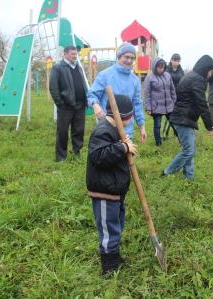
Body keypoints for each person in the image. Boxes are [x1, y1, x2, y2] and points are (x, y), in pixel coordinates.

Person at [86, 94, 137, 275]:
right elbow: (99, 156)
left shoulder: (117, 131)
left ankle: (114, 256)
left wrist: (126, 148)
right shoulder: (103, 131)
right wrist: (122, 148)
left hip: (116, 190)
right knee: (109, 229)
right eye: (130, 117)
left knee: (116, 225)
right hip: (105, 192)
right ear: (123, 117)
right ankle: (108, 266)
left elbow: (113, 155)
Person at [162, 55, 213, 180]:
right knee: (189, 150)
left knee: (189, 149)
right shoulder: (197, 80)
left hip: (185, 118)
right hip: (183, 119)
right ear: (206, 68)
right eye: (211, 70)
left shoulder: (194, 76)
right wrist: (210, 127)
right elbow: (202, 104)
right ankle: (167, 172)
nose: (211, 73)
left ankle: (189, 177)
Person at [87, 42, 146, 143]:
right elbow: (92, 94)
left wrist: (142, 126)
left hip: (126, 129)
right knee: (107, 156)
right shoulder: (105, 75)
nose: (129, 61)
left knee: (124, 156)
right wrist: (95, 105)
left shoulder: (135, 80)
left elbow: (137, 104)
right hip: (107, 128)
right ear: (119, 56)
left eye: (132, 58)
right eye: (126, 57)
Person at [49, 45, 88, 162]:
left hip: (80, 105)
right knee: (62, 132)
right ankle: (61, 157)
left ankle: (77, 153)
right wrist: (60, 103)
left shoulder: (78, 67)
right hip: (65, 106)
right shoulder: (58, 67)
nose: (75, 56)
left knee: (79, 130)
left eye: (76, 54)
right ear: (65, 54)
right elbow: (53, 87)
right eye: (72, 54)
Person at [144, 57, 177, 146]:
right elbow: (147, 94)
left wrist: (174, 101)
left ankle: (180, 138)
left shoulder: (167, 75)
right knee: (157, 125)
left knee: (174, 122)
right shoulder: (149, 77)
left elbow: (172, 89)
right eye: (159, 67)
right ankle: (158, 143)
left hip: (169, 105)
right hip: (156, 106)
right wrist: (148, 108)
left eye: (162, 67)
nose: (161, 69)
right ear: (155, 66)